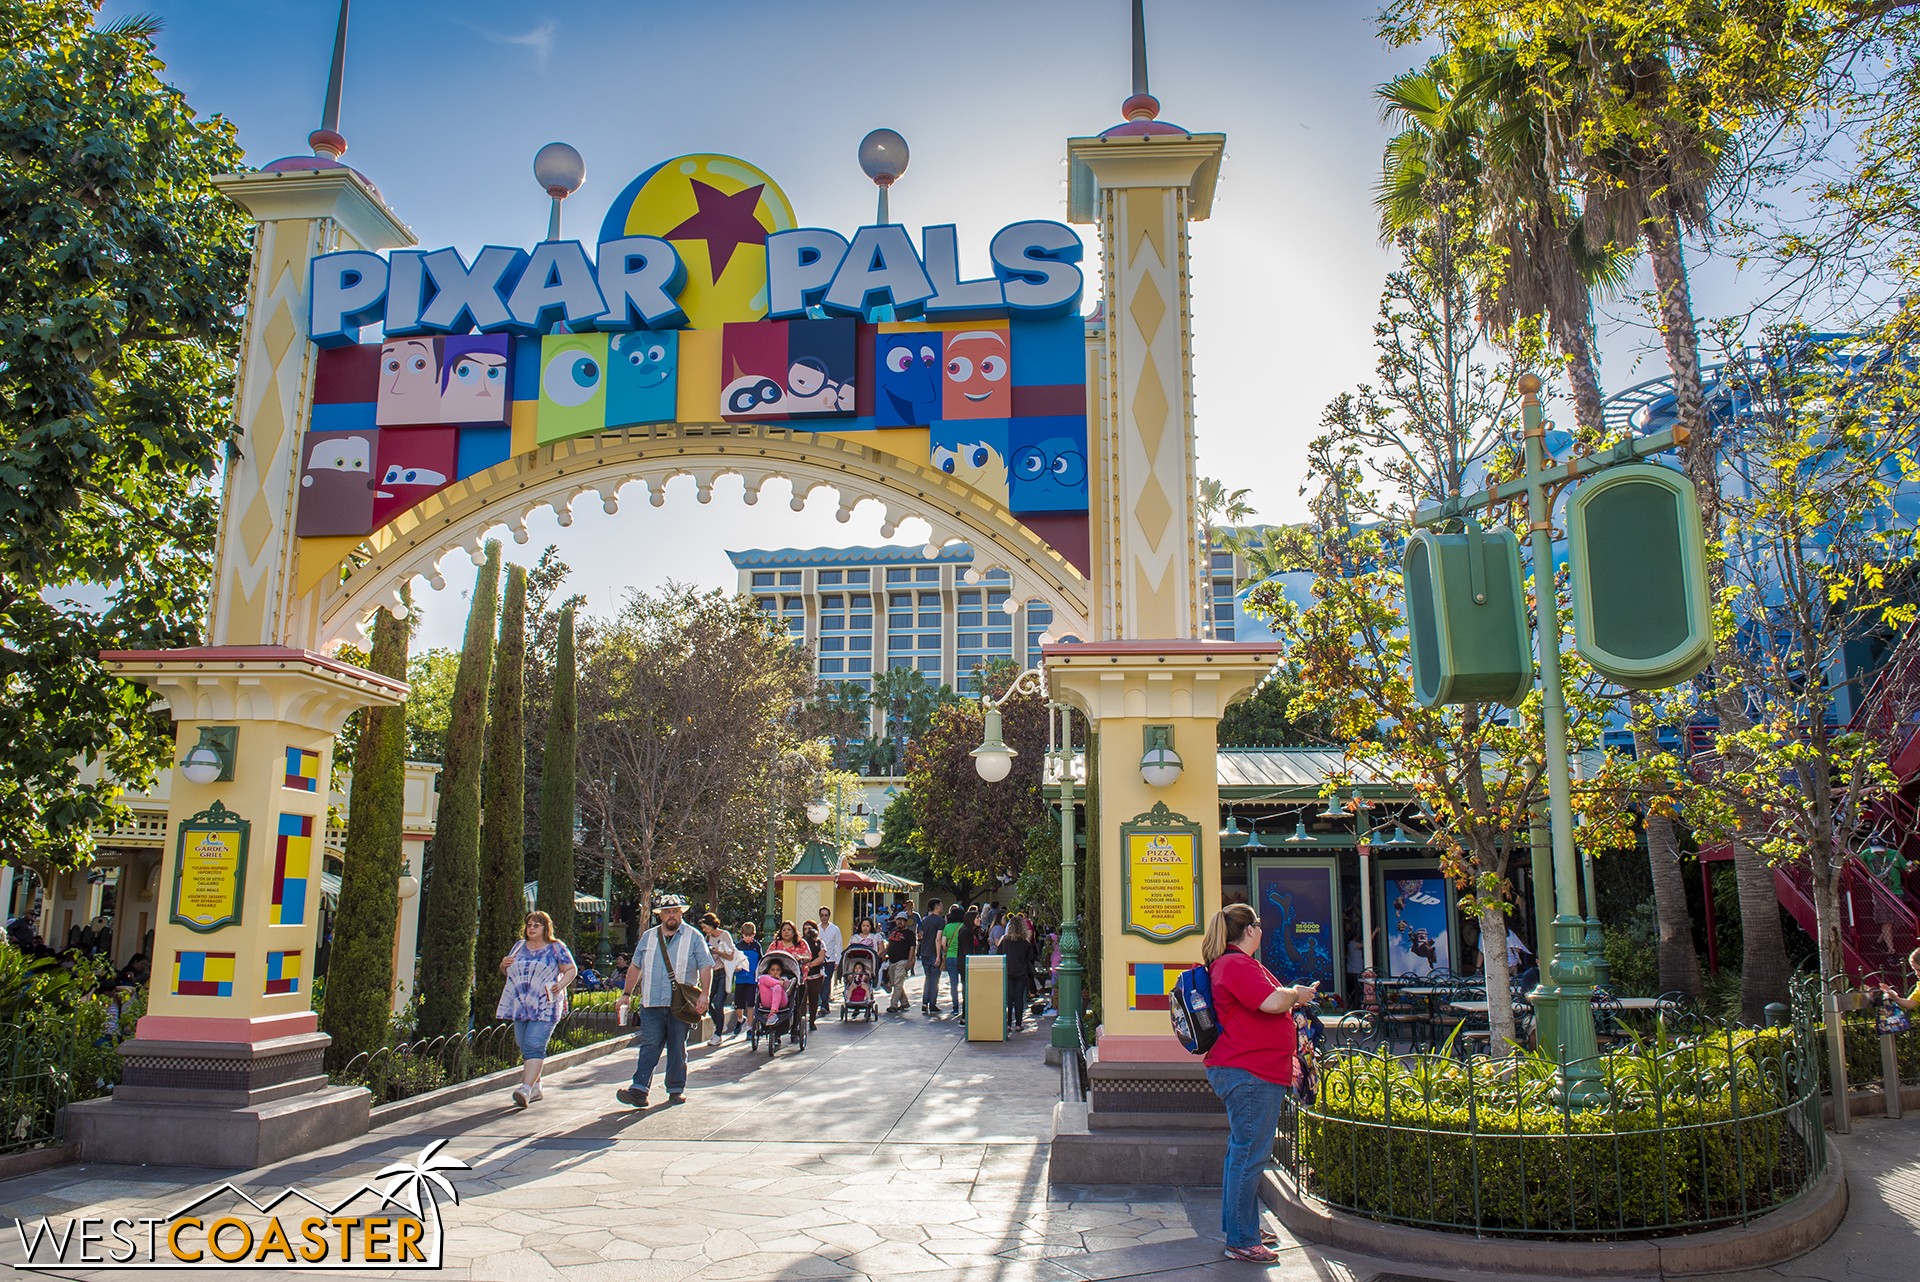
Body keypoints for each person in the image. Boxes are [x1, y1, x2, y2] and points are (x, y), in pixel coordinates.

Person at [1202, 902, 1316, 1264]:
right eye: (1259, 924)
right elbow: (1270, 1001)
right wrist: (1295, 994)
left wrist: (1291, 996)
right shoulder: (1235, 965)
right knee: (1250, 1155)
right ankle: (1241, 1238)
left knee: (1243, 1152)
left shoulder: (1235, 963)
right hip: (1249, 1072)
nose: (1262, 929)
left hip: (1248, 1069)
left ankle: (1243, 1225)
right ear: (1250, 930)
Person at [615, 895, 713, 1110]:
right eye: (667, 912)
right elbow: (635, 966)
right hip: (651, 1002)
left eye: (675, 911)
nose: (671, 915)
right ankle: (639, 1089)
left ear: (681, 913)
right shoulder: (649, 937)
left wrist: (705, 994)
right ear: (660, 914)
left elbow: (706, 966)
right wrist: (626, 994)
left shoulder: (694, 936)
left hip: (681, 1005)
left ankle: (676, 1089)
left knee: (678, 1047)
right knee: (649, 1045)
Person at [497, 911, 578, 1109]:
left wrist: (561, 985)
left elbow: (571, 969)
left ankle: (525, 1088)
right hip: (520, 1004)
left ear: (545, 928)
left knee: (535, 1044)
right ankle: (536, 1087)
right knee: (523, 1045)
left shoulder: (555, 947)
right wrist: (503, 965)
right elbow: (508, 971)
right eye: (529, 925)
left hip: (545, 1004)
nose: (532, 928)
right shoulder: (518, 947)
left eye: (537, 925)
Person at [698, 913, 736, 1048]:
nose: (704, 930)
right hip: (713, 974)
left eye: (705, 927)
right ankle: (720, 1024)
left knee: (719, 1003)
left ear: (711, 925)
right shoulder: (707, 938)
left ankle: (718, 1035)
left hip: (724, 973)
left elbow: (731, 955)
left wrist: (716, 951)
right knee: (706, 1002)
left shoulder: (724, 935)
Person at [996, 916, 1039, 1032]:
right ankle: (1019, 1024)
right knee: (1019, 998)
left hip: (1008, 972)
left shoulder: (1004, 940)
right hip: (1021, 972)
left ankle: (1008, 1023)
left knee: (1009, 998)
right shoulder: (1025, 943)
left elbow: (998, 954)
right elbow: (1030, 957)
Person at [729, 922, 761, 1035]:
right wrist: (736, 967)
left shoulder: (756, 946)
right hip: (741, 978)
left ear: (754, 934)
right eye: (746, 935)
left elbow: (760, 961)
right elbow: (734, 960)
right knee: (738, 1003)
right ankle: (740, 1019)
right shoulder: (738, 946)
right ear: (742, 935)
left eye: (750, 935)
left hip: (752, 979)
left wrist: (757, 973)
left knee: (751, 1003)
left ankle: (750, 1027)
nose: (748, 938)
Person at [884, 912, 917, 1012]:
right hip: (891, 961)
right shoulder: (893, 931)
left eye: (902, 920)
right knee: (895, 983)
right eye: (898, 920)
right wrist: (884, 954)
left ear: (906, 922)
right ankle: (904, 1003)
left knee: (898, 983)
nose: (900, 922)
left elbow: (912, 948)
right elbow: (889, 944)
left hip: (902, 961)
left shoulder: (909, 934)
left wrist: (910, 961)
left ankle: (893, 1005)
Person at [918, 899, 946, 1014]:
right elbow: (938, 939)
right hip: (934, 953)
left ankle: (925, 1002)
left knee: (928, 978)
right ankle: (932, 1004)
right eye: (941, 905)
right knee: (934, 980)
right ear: (937, 907)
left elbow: (921, 935)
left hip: (924, 952)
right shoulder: (940, 921)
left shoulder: (924, 921)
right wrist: (939, 956)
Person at [800, 921, 827, 1030]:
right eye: (805, 928)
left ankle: (812, 1020)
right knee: (801, 999)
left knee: (813, 999)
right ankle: (801, 1021)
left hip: (815, 974)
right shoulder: (801, 942)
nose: (807, 931)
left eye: (810, 928)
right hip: (802, 975)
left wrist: (810, 965)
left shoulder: (820, 943)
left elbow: (821, 958)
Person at [942, 904, 968, 1014]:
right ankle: (964, 1006)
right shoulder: (964, 927)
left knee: (953, 983)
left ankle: (955, 1006)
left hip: (950, 957)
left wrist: (947, 951)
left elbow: (943, 943)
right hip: (961, 958)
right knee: (963, 983)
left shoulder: (947, 927)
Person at [816, 906, 844, 997]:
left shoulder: (834, 929)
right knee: (820, 982)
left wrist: (837, 961)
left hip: (830, 959)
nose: (824, 917)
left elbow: (838, 945)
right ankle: (822, 1002)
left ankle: (825, 1004)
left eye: (826, 915)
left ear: (829, 916)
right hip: (819, 959)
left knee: (827, 981)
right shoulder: (817, 929)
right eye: (822, 915)